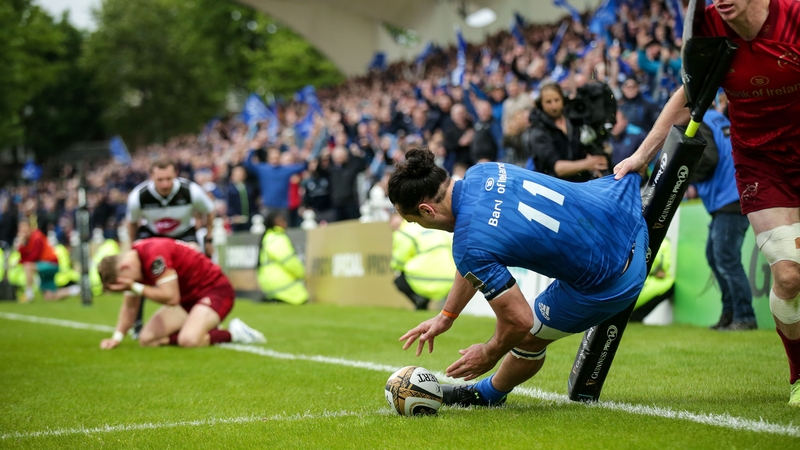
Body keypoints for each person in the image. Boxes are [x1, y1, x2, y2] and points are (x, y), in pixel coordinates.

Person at [614, 0, 800, 405]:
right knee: (788, 276)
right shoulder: (707, 24)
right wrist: (641, 157)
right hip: (761, 163)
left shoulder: (794, 17)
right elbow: (689, 96)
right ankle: (799, 375)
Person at [387, 148, 648, 407]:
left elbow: (520, 321)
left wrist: (489, 353)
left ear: (427, 211)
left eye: (415, 221)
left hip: (616, 279)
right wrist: (447, 316)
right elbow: (472, 260)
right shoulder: (483, 171)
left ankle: (485, 394)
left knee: (527, 337)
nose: (420, 226)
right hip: (629, 218)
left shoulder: (469, 245)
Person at [97, 237, 266, 349]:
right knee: (147, 339)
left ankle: (236, 333)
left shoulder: (154, 256)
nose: (128, 288)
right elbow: (130, 307)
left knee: (189, 340)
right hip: (188, 298)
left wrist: (135, 287)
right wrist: (117, 338)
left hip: (214, 290)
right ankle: (203, 325)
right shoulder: (134, 267)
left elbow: (171, 298)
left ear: (124, 268)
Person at [126, 158, 216, 337]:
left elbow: (209, 211)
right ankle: (136, 323)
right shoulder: (139, 196)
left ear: (176, 175)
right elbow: (132, 223)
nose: (165, 184)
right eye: (160, 180)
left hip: (183, 233)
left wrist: (209, 239)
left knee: (196, 263)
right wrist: (133, 247)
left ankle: (200, 317)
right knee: (137, 272)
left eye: (169, 179)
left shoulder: (190, 191)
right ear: (151, 177)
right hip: (153, 236)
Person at [693, 107, 756, 331]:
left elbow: (708, 159)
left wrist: (685, 175)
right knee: (715, 256)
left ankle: (744, 317)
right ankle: (730, 314)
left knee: (726, 260)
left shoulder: (699, 120)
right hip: (731, 196)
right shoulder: (716, 119)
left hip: (729, 199)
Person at [526, 82, 608, 182]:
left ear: (563, 99)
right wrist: (588, 164)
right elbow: (557, 168)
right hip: (555, 185)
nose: (554, 106)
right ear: (541, 104)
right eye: (548, 102)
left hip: (582, 182)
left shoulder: (574, 119)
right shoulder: (538, 131)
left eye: (557, 100)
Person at [390, 213, 456, 311]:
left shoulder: (405, 232)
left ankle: (420, 300)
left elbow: (399, 261)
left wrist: (395, 267)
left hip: (423, 278)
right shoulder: (431, 227)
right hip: (450, 279)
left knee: (399, 280)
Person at [257, 211, 308, 305]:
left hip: (270, 286)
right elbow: (289, 261)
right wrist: (303, 273)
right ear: (275, 223)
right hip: (284, 287)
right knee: (302, 298)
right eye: (282, 221)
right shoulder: (277, 238)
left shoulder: (268, 237)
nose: (285, 223)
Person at [15, 220, 59, 303]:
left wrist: (20, 262)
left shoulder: (36, 237)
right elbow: (25, 255)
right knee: (49, 296)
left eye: (23, 227)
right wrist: (21, 244)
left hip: (51, 264)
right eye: (20, 228)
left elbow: (33, 257)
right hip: (44, 264)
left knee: (28, 267)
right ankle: (75, 290)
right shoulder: (28, 239)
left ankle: (29, 294)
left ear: (29, 227)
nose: (21, 230)